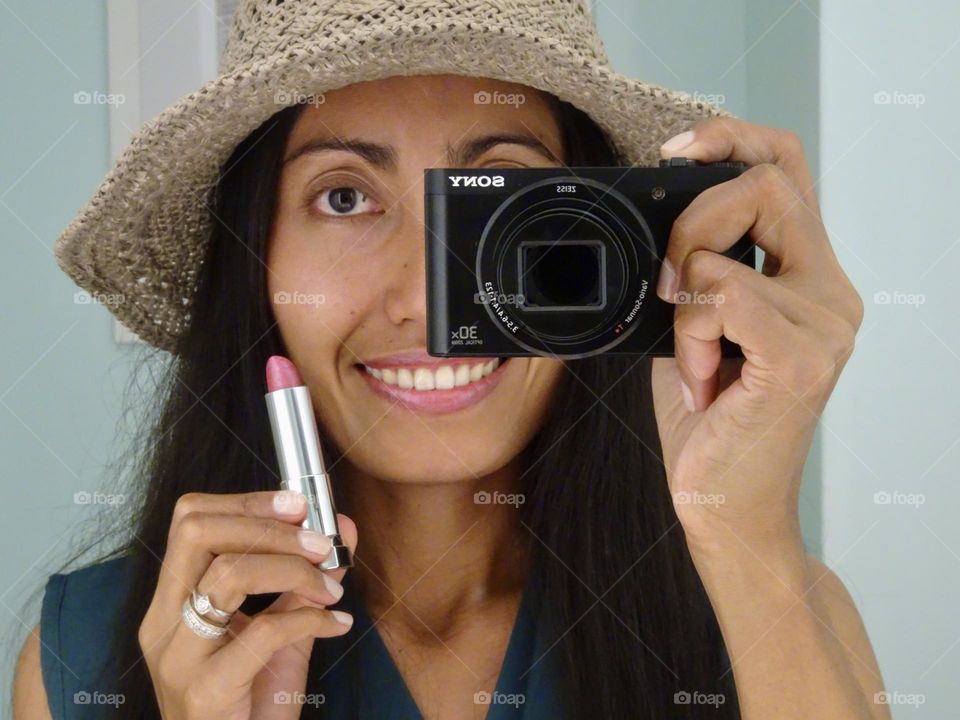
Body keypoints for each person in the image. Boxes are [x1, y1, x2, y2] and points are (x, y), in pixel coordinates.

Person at [13, 1, 887, 718]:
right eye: (346, 196)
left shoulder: (780, 611)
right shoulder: (79, 657)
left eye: (499, 196)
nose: (427, 300)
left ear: (596, 251)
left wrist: (743, 530)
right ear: (259, 263)